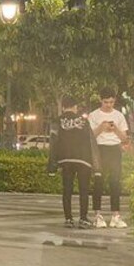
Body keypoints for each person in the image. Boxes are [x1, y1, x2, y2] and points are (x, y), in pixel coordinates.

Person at [47, 95, 100, 229]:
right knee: (84, 190)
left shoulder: (57, 121)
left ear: (63, 107)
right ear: (75, 107)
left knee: (67, 190)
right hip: (84, 160)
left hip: (66, 159)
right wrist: (97, 166)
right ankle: (83, 218)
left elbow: (53, 142)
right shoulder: (84, 121)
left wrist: (52, 165)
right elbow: (91, 142)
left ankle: (68, 219)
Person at [88, 88, 129, 228]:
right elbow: (90, 137)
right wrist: (101, 127)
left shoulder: (119, 115)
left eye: (111, 102)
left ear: (114, 100)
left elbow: (124, 139)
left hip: (115, 149)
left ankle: (115, 215)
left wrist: (115, 129)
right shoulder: (93, 115)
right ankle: (97, 215)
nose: (109, 105)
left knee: (115, 182)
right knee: (98, 182)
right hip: (99, 149)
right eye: (106, 102)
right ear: (100, 100)